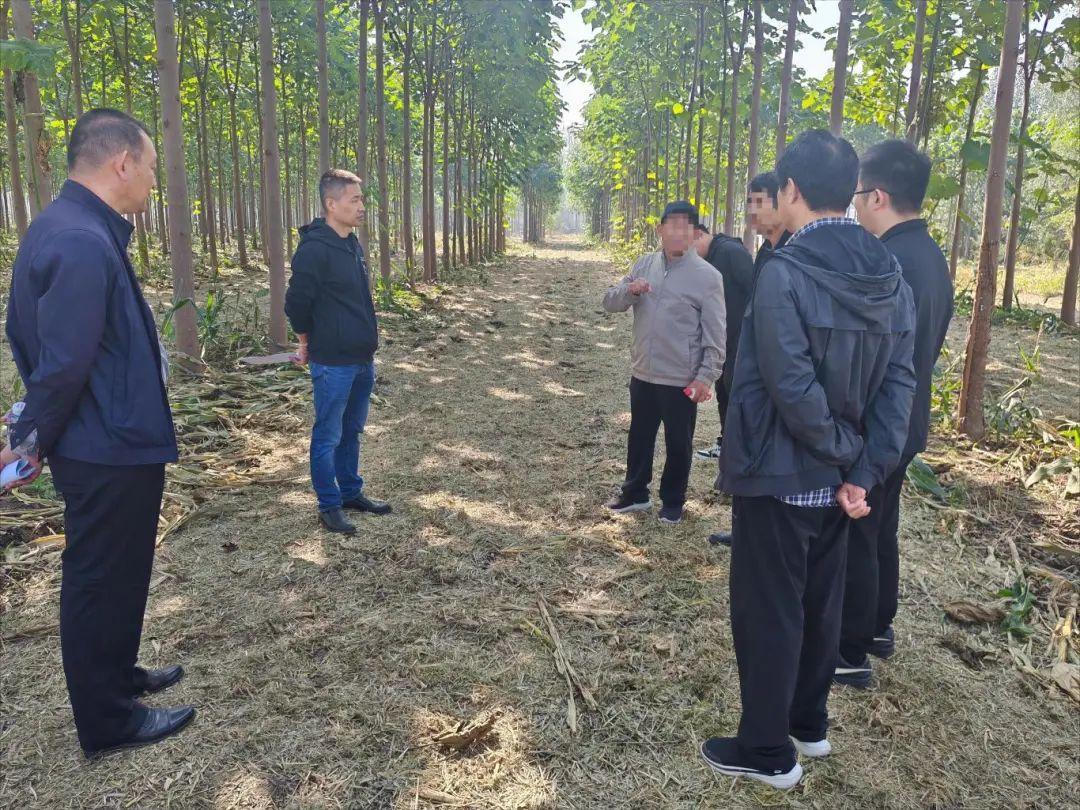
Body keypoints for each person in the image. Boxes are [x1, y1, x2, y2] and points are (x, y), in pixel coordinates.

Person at [701, 130, 916, 789]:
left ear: (790, 189)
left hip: (781, 472)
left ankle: (769, 750)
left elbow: (789, 386)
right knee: (821, 602)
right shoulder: (890, 274)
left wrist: (846, 456)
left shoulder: (785, 273)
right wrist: (863, 469)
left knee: (770, 608)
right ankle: (809, 723)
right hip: (841, 485)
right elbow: (900, 386)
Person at [2, 109, 194, 757]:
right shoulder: (81, 240)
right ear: (122, 163)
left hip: (113, 437)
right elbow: (62, 365)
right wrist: (28, 441)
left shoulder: (77, 226)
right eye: (150, 166)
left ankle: (118, 676)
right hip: (104, 446)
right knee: (99, 577)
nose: (154, 181)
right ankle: (107, 722)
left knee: (123, 572)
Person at [836, 140, 953, 687]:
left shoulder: (888, 264)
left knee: (859, 531)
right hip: (906, 420)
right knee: (881, 526)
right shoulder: (930, 256)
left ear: (877, 196)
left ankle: (849, 648)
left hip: (880, 421)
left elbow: (875, 358)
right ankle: (879, 626)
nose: (855, 207)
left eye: (857, 196)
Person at [602, 200, 727, 525]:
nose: (677, 233)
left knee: (678, 443)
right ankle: (635, 493)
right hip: (643, 372)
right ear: (660, 229)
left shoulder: (708, 277)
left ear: (696, 234)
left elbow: (716, 335)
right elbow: (609, 302)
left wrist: (705, 377)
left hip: (681, 378)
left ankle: (673, 501)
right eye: (671, 225)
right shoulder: (644, 265)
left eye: (686, 227)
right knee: (639, 437)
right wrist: (630, 291)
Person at [285, 169, 390, 535]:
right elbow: (296, 303)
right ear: (331, 204)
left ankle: (350, 492)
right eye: (354, 200)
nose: (362, 206)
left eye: (362, 199)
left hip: (361, 360)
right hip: (333, 363)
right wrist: (304, 342)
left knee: (351, 431)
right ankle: (329, 505)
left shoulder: (351, 244)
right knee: (328, 434)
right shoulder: (314, 250)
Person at [706, 172, 792, 548]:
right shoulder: (767, 252)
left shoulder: (791, 254)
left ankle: (758, 533)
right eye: (748, 203)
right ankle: (745, 528)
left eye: (759, 202)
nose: (751, 212)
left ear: (784, 200)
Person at [690, 223, 753, 462]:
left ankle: (740, 448)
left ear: (699, 234)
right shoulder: (711, 257)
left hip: (742, 338)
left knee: (735, 391)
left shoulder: (731, 252)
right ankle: (727, 443)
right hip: (724, 339)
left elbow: (755, 291)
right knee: (724, 390)